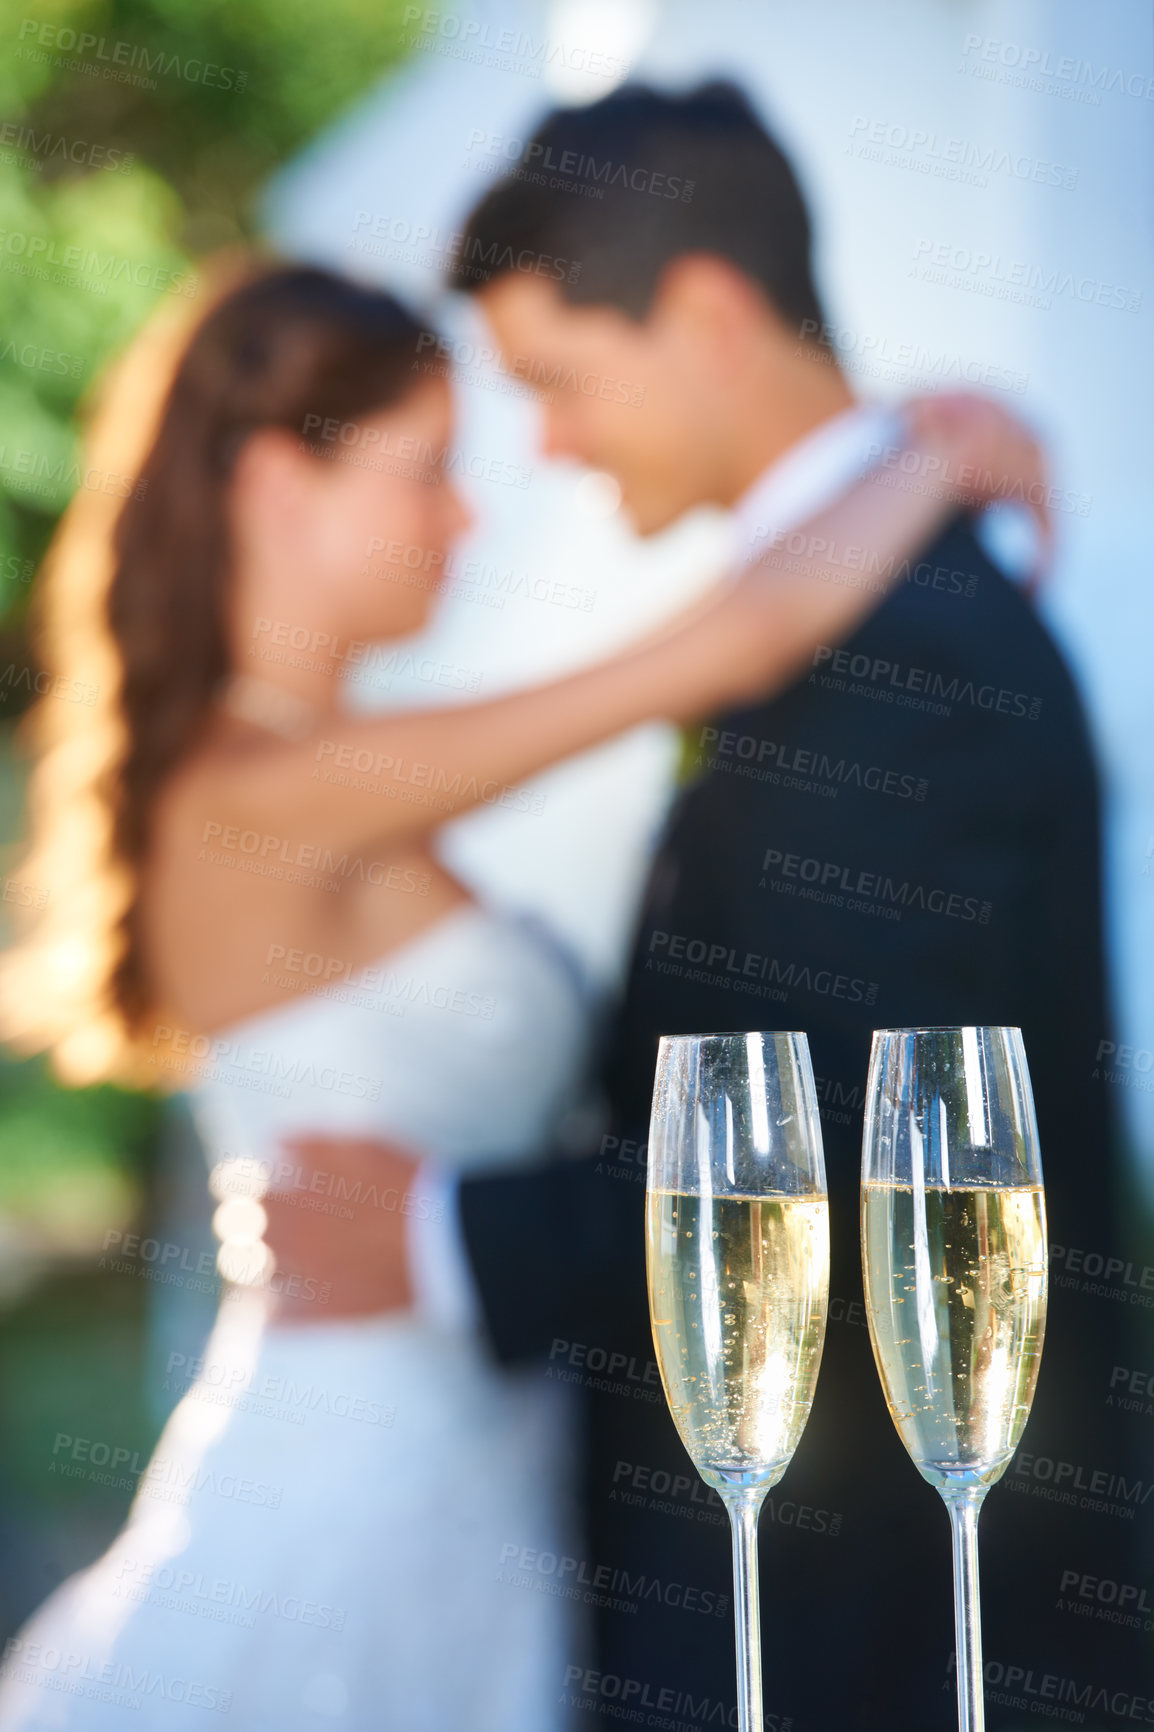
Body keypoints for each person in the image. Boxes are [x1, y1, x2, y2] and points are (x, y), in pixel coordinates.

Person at [0, 255, 1036, 1731]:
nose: (464, 516)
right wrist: (938, 449)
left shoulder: (326, 773)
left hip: (475, 1488)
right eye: (424, 471)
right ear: (275, 484)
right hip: (355, 1501)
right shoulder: (267, 792)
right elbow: (726, 642)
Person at [278, 85, 1140, 1731]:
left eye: (555, 383)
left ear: (705, 314)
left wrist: (441, 1237)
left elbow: (834, 1135)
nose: (548, 444)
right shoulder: (869, 597)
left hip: (863, 1616)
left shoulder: (916, 658)